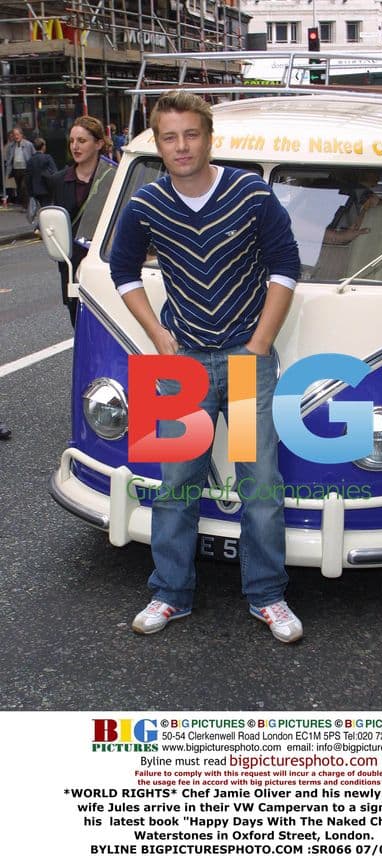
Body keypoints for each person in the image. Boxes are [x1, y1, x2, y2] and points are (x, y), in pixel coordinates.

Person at [110, 90, 303, 643]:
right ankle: (170, 593)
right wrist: (157, 334)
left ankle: (267, 596)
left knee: (259, 484)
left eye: (191, 134)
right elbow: (123, 271)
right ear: (157, 144)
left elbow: (285, 266)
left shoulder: (251, 193)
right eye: (169, 137)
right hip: (181, 365)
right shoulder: (145, 205)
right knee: (175, 484)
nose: (181, 146)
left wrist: (260, 344)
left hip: (246, 359)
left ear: (208, 136)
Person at [46, 116, 116, 327]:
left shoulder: (114, 176)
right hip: (72, 266)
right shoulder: (58, 180)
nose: (75, 146)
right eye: (72, 141)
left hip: (106, 263)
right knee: (79, 325)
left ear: (99, 144)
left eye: (82, 141)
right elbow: (54, 218)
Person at [6, 126, 36, 209]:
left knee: (24, 187)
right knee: (19, 187)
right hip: (16, 169)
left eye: (17, 134)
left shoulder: (28, 144)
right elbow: (9, 156)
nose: (16, 136)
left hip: (25, 169)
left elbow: (34, 154)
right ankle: (24, 203)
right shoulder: (11, 145)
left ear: (21, 135)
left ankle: (25, 205)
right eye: (14, 135)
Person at [26, 137, 57, 209]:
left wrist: (30, 192)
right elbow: (54, 172)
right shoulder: (47, 158)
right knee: (47, 208)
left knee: (39, 209)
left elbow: (28, 177)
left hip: (35, 190)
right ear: (43, 146)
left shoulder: (30, 160)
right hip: (47, 188)